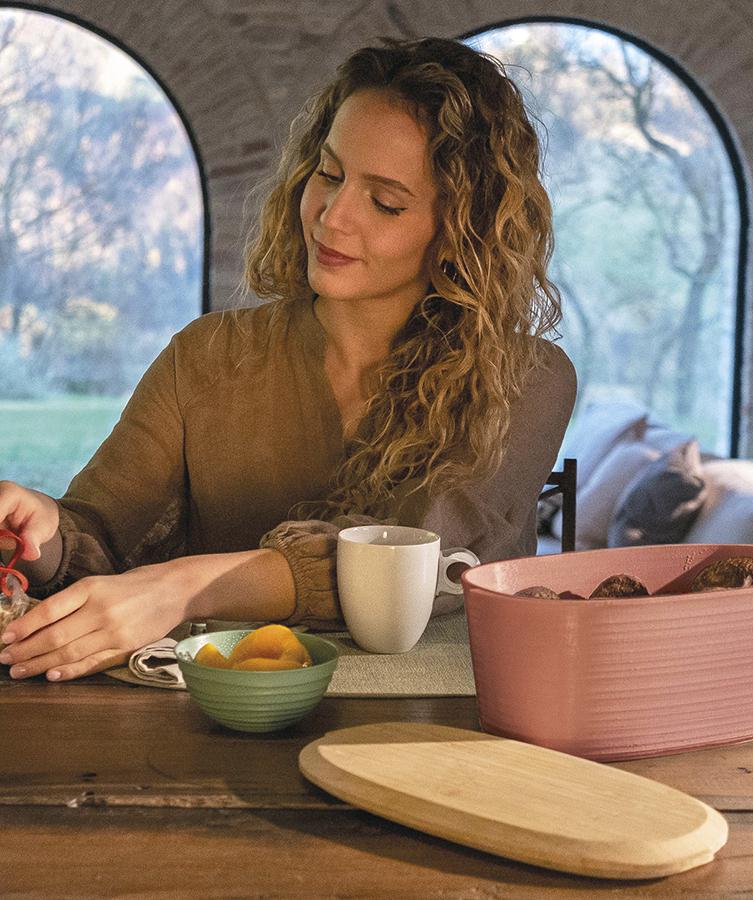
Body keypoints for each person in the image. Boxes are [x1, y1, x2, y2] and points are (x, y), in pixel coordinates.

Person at [0, 36, 576, 681]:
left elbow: (415, 561)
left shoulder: (525, 380)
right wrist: (39, 530)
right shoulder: (206, 356)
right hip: (216, 715)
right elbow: (98, 541)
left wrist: (182, 588)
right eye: (329, 174)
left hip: (438, 718)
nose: (332, 216)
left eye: (385, 202)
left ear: (459, 230)